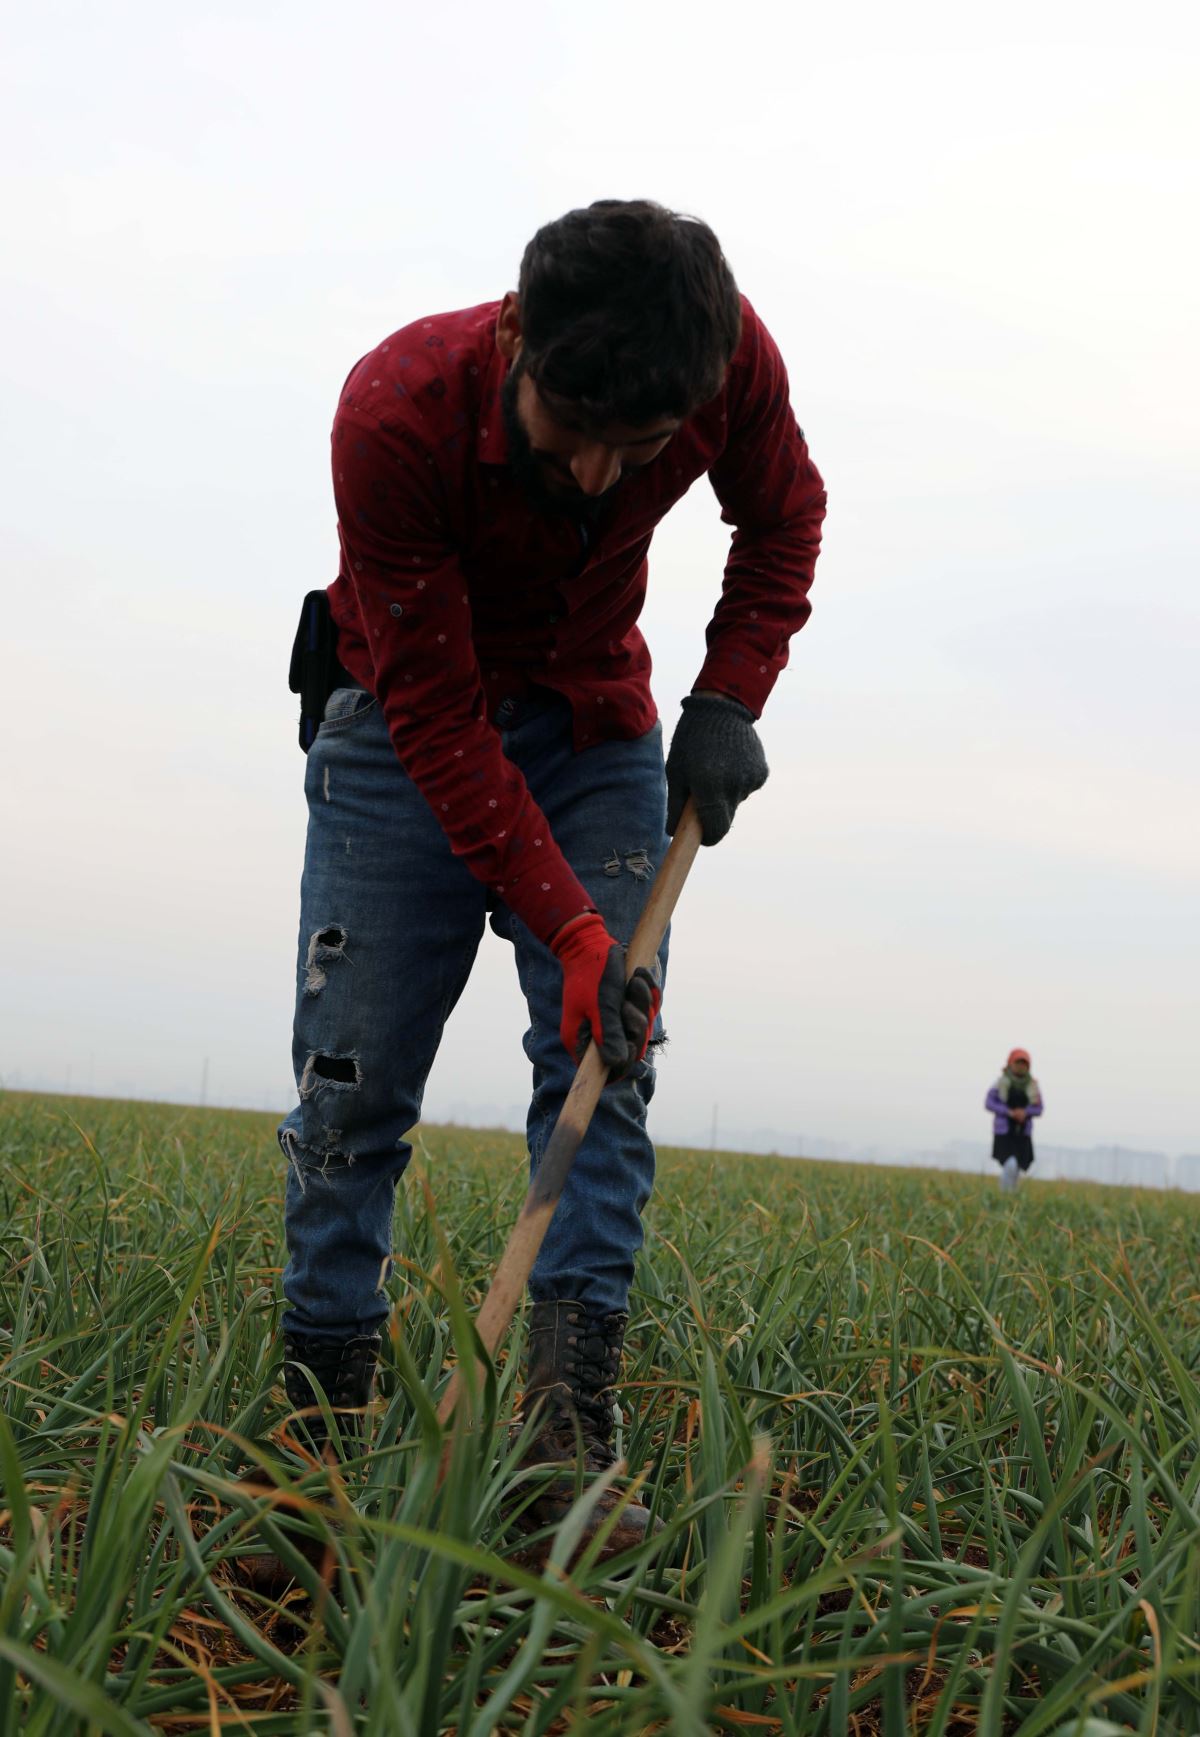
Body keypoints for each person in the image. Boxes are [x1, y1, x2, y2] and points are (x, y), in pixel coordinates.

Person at [276, 199, 827, 1552]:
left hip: (595, 724)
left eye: (632, 452)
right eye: (565, 432)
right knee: (350, 1087)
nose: (592, 476)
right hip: (407, 722)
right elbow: (443, 724)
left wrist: (730, 696)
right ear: (517, 336)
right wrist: (577, 925)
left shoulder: (725, 358)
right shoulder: (396, 411)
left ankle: (560, 1456)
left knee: (604, 1069)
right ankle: (313, 1440)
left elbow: (784, 521)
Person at [985, 1048, 1044, 1192]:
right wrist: (1010, 1113)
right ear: (1011, 1063)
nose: (1021, 1066)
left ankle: (1012, 1197)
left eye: (1024, 1063)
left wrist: (1025, 1113)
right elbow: (989, 1103)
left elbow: (1039, 1108)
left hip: (1022, 1132)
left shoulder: (1032, 1086)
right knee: (1010, 1164)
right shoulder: (1000, 1083)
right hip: (1004, 1131)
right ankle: (1004, 1195)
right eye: (1018, 1062)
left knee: (1017, 1166)